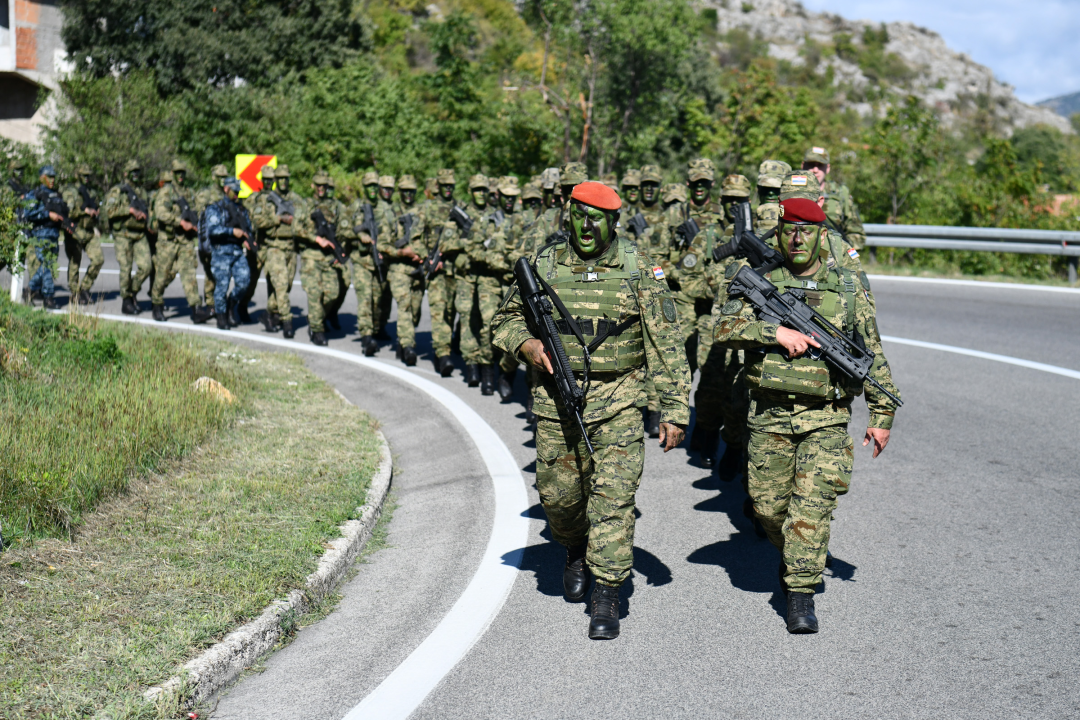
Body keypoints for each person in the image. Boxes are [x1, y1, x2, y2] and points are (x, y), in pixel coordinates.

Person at [492, 181, 690, 640]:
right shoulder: (544, 264)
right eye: (578, 215)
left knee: (614, 499)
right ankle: (574, 547)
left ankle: (608, 592)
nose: (585, 226)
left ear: (613, 222)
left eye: (595, 218)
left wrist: (674, 408)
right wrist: (527, 343)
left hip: (620, 400)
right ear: (567, 215)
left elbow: (666, 343)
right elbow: (504, 320)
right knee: (560, 499)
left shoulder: (640, 269)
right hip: (555, 402)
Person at [714, 197, 900, 633]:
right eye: (790, 229)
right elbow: (722, 330)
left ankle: (800, 592)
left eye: (807, 230)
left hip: (827, 418)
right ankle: (798, 555)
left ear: (822, 235)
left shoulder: (849, 287)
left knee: (810, 510)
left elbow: (870, 353)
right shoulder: (761, 280)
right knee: (767, 508)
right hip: (769, 416)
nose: (798, 238)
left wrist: (882, 414)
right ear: (779, 232)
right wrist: (772, 331)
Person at [150, 160, 210, 322]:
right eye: (177, 173)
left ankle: (196, 308)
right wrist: (179, 222)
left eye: (182, 172)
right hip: (168, 240)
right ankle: (157, 303)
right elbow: (161, 213)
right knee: (162, 275)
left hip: (185, 240)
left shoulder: (189, 193)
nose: (180, 176)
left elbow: (197, 210)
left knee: (189, 273)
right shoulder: (166, 192)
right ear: (172, 174)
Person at [377, 174, 425, 365]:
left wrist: (419, 253)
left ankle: (402, 341)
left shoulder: (422, 213)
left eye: (411, 191)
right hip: (398, 269)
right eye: (404, 191)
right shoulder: (391, 213)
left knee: (415, 311)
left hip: (417, 269)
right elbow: (382, 243)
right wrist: (400, 252)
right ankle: (408, 347)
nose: (408, 194)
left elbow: (431, 239)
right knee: (404, 308)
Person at [419, 168, 460, 377]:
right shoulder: (427, 208)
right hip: (435, 270)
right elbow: (415, 237)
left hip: (455, 269)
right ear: (438, 186)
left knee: (451, 312)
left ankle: (445, 347)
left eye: (451, 185)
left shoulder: (459, 208)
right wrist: (426, 258)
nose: (448, 189)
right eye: (445, 185)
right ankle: (442, 355)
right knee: (439, 311)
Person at [203, 177, 255, 329]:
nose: (237, 195)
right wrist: (232, 231)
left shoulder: (241, 209)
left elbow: (247, 228)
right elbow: (212, 230)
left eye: (239, 192)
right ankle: (221, 316)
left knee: (244, 281)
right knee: (222, 285)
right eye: (235, 191)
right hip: (221, 252)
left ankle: (231, 306)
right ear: (226, 189)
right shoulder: (216, 208)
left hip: (237, 251)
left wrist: (247, 239)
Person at [346, 170, 387, 355]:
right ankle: (366, 337)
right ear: (364, 187)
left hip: (379, 261)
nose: (372, 189)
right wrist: (360, 235)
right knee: (365, 299)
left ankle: (376, 329)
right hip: (361, 260)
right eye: (369, 186)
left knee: (378, 300)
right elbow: (345, 230)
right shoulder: (356, 207)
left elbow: (392, 232)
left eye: (375, 186)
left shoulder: (386, 208)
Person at [455, 173, 491, 386]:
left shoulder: (495, 215)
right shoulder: (461, 215)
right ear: (471, 191)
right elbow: (445, 243)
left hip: (488, 276)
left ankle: (487, 364)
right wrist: (467, 241)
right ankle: (471, 365)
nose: (480, 194)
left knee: (487, 321)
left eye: (483, 190)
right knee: (468, 318)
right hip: (466, 276)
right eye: (477, 189)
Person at [105, 160, 153, 315]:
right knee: (125, 268)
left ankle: (131, 292)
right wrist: (129, 210)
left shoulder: (142, 192)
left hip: (139, 234)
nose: (136, 174)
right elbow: (109, 211)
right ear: (126, 173)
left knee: (146, 267)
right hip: (123, 235)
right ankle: (126, 301)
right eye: (133, 171)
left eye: (138, 171)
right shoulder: (118, 191)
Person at [801, 146, 866, 250]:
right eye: (811, 165)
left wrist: (844, 253)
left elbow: (856, 232)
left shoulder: (840, 194)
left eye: (820, 165)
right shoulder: (791, 192)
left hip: (833, 255)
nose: (815, 170)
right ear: (803, 166)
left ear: (828, 168)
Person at [59, 165, 105, 305]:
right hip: (75, 231)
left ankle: (85, 288)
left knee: (98, 259)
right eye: (84, 175)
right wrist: (84, 211)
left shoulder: (91, 192)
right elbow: (67, 212)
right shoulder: (70, 192)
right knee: (75, 262)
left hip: (89, 231)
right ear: (78, 175)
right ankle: (75, 293)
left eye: (89, 175)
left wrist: (96, 213)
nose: (87, 178)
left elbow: (97, 208)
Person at [24, 165, 65, 309]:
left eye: (53, 177)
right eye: (49, 177)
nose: (52, 180)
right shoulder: (35, 194)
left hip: (54, 235)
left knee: (49, 266)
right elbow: (28, 213)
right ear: (42, 178)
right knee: (47, 265)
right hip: (40, 235)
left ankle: (29, 289)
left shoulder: (56, 195)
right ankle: (49, 297)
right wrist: (47, 214)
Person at [193, 164, 230, 320]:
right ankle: (210, 305)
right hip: (209, 241)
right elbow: (200, 218)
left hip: (225, 240)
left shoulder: (228, 194)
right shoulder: (205, 194)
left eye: (224, 177)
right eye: (219, 177)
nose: (222, 180)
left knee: (223, 273)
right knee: (210, 273)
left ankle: (220, 303)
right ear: (214, 177)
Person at [755, 159, 791, 234]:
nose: (771, 193)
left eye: (777, 188)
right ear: (758, 188)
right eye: (765, 187)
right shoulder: (749, 221)